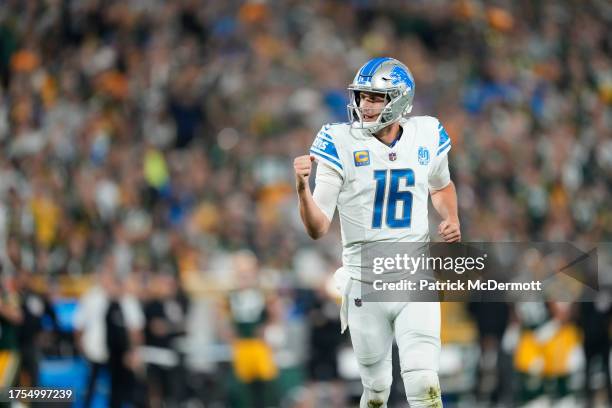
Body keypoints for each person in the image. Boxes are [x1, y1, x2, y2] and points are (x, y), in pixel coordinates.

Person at [293, 57, 460, 408]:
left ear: (398, 99)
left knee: (424, 383)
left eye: (375, 97)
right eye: (362, 97)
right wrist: (301, 190)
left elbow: (441, 186)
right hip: (364, 283)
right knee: (376, 392)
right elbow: (318, 227)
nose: (365, 105)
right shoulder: (338, 140)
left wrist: (451, 217)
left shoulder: (426, 132)